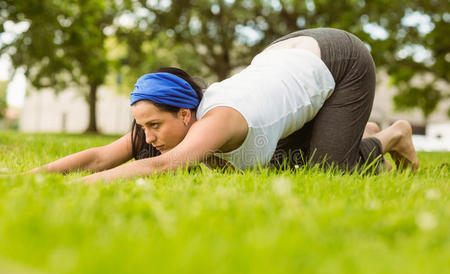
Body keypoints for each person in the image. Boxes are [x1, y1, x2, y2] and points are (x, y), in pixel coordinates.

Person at [29, 28, 419, 183]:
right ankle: (357, 131)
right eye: (142, 126)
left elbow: (163, 165)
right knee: (285, 166)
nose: (147, 137)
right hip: (284, 57)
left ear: (185, 114)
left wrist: (77, 190)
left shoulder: (219, 119)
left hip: (338, 59)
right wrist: (29, 178)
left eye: (154, 126)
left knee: (329, 170)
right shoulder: (172, 121)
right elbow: (101, 157)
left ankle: (392, 134)